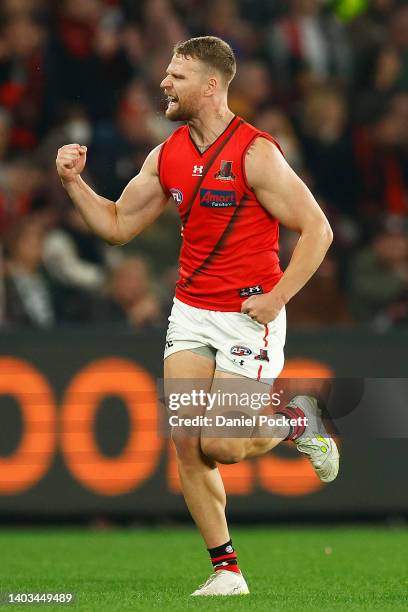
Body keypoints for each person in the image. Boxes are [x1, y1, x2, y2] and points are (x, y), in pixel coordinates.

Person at [56, 36, 339, 597]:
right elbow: (116, 225)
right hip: (190, 313)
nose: (164, 83)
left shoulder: (257, 153)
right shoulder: (167, 155)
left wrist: (278, 298)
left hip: (247, 314)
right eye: (167, 73)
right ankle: (226, 571)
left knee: (223, 446)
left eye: (177, 76)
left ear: (211, 85)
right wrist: (72, 182)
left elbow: (319, 230)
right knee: (187, 443)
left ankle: (298, 421)